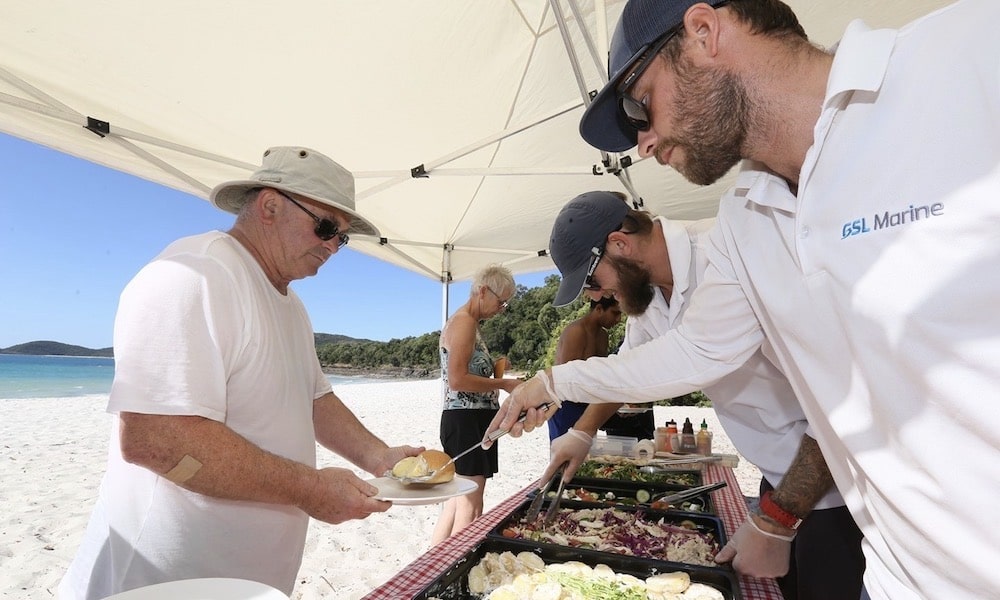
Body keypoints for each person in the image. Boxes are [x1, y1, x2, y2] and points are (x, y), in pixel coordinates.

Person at [487, 1, 1000, 598]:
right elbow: (698, 353)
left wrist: (781, 516)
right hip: (899, 574)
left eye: (638, 106)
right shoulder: (741, 221)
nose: (644, 145)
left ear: (704, 32)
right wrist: (555, 391)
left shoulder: (966, 52)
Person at [59, 146, 423, 599]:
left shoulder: (292, 305)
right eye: (326, 226)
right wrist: (309, 488)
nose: (332, 245)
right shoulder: (197, 273)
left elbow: (313, 400)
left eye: (342, 237)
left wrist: (381, 459)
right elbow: (155, 438)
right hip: (165, 582)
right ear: (270, 205)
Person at [543, 190, 863, 599]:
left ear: (619, 244)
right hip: (777, 473)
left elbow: (838, 399)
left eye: (591, 281)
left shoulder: (724, 251)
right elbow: (628, 371)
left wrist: (776, 521)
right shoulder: (648, 297)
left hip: (830, 479)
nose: (595, 296)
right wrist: (583, 433)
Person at [431, 264, 521, 545]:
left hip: (468, 419)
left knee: (457, 501)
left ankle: (432, 563)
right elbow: (457, 380)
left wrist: (495, 376)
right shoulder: (464, 322)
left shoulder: (468, 323)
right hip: (466, 421)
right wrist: (503, 384)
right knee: (471, 506)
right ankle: (452, 567)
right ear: (483, 291)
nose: (502, 308)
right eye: (501, 301)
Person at [546, 295, 631, 441]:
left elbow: (600, 376)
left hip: (587, 403)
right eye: (615, 313)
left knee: (588, 455)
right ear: (599, 309)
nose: (618, 319)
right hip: (565, 405)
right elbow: (567, 378)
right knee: (563, 455)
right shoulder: (576, 331)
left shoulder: (603, 335)